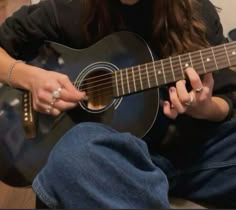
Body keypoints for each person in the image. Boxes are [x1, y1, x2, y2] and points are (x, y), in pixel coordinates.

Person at [0, 0, 236, 208]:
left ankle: (127, 193)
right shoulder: (72, 9)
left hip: (189, 154)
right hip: (113, 159)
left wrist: (204, 108)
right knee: (76, 152)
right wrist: (29, 78)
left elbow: (227, 99)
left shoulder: (194, 10)